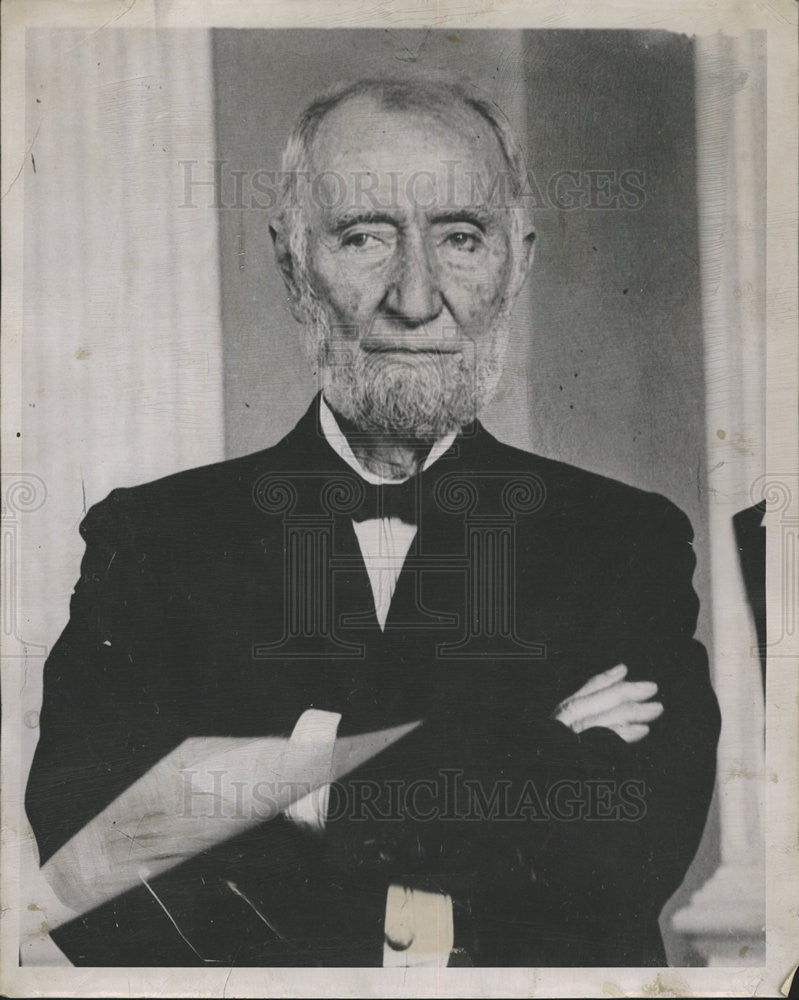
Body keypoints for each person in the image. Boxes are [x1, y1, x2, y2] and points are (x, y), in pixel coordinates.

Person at [25, 78, 720, 968]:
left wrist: (289, 768)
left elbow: (620, 856)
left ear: (518, 260)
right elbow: (94, 870)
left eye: (460, 238)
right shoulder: (155, 540)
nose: (416, 297)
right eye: (363, 237)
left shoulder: (622, 541)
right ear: (291, 261)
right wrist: (523, 754)